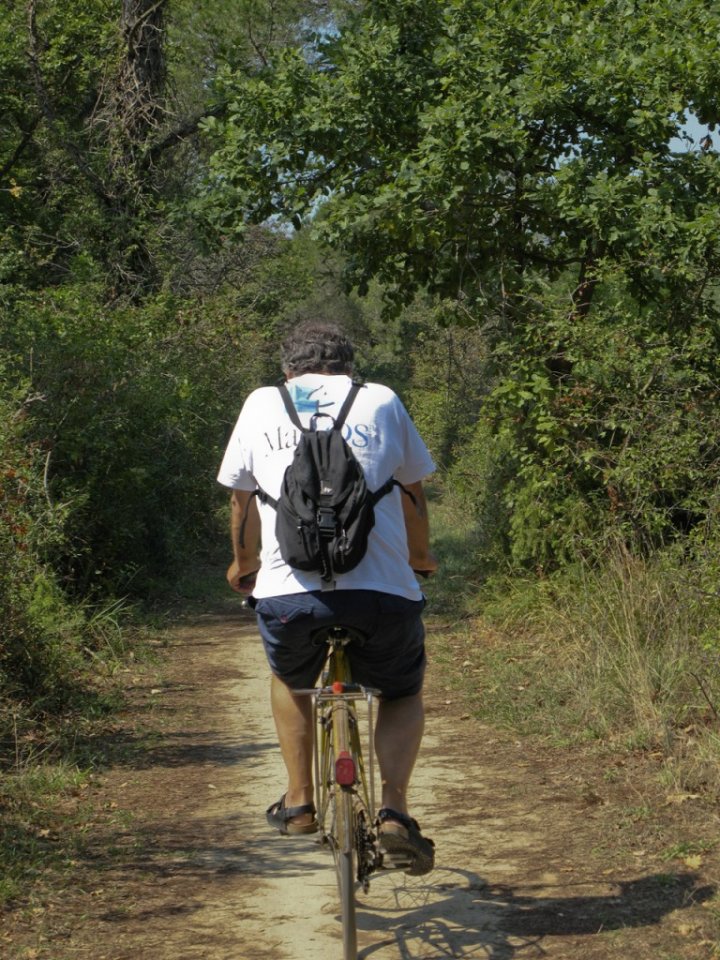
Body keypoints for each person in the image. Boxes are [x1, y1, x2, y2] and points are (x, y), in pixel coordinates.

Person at [217, 321, 438, 874]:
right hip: (380, 593)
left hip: (289, 596)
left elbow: (243, 504)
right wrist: (420, 559)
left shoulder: (262, 403)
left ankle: (298, 801)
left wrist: (244, 567)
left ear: (288, 369)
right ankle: (394, 811)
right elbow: (412, 492)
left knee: (292, 679)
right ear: (348, 366)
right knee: (400, 690)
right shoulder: (381, 399)